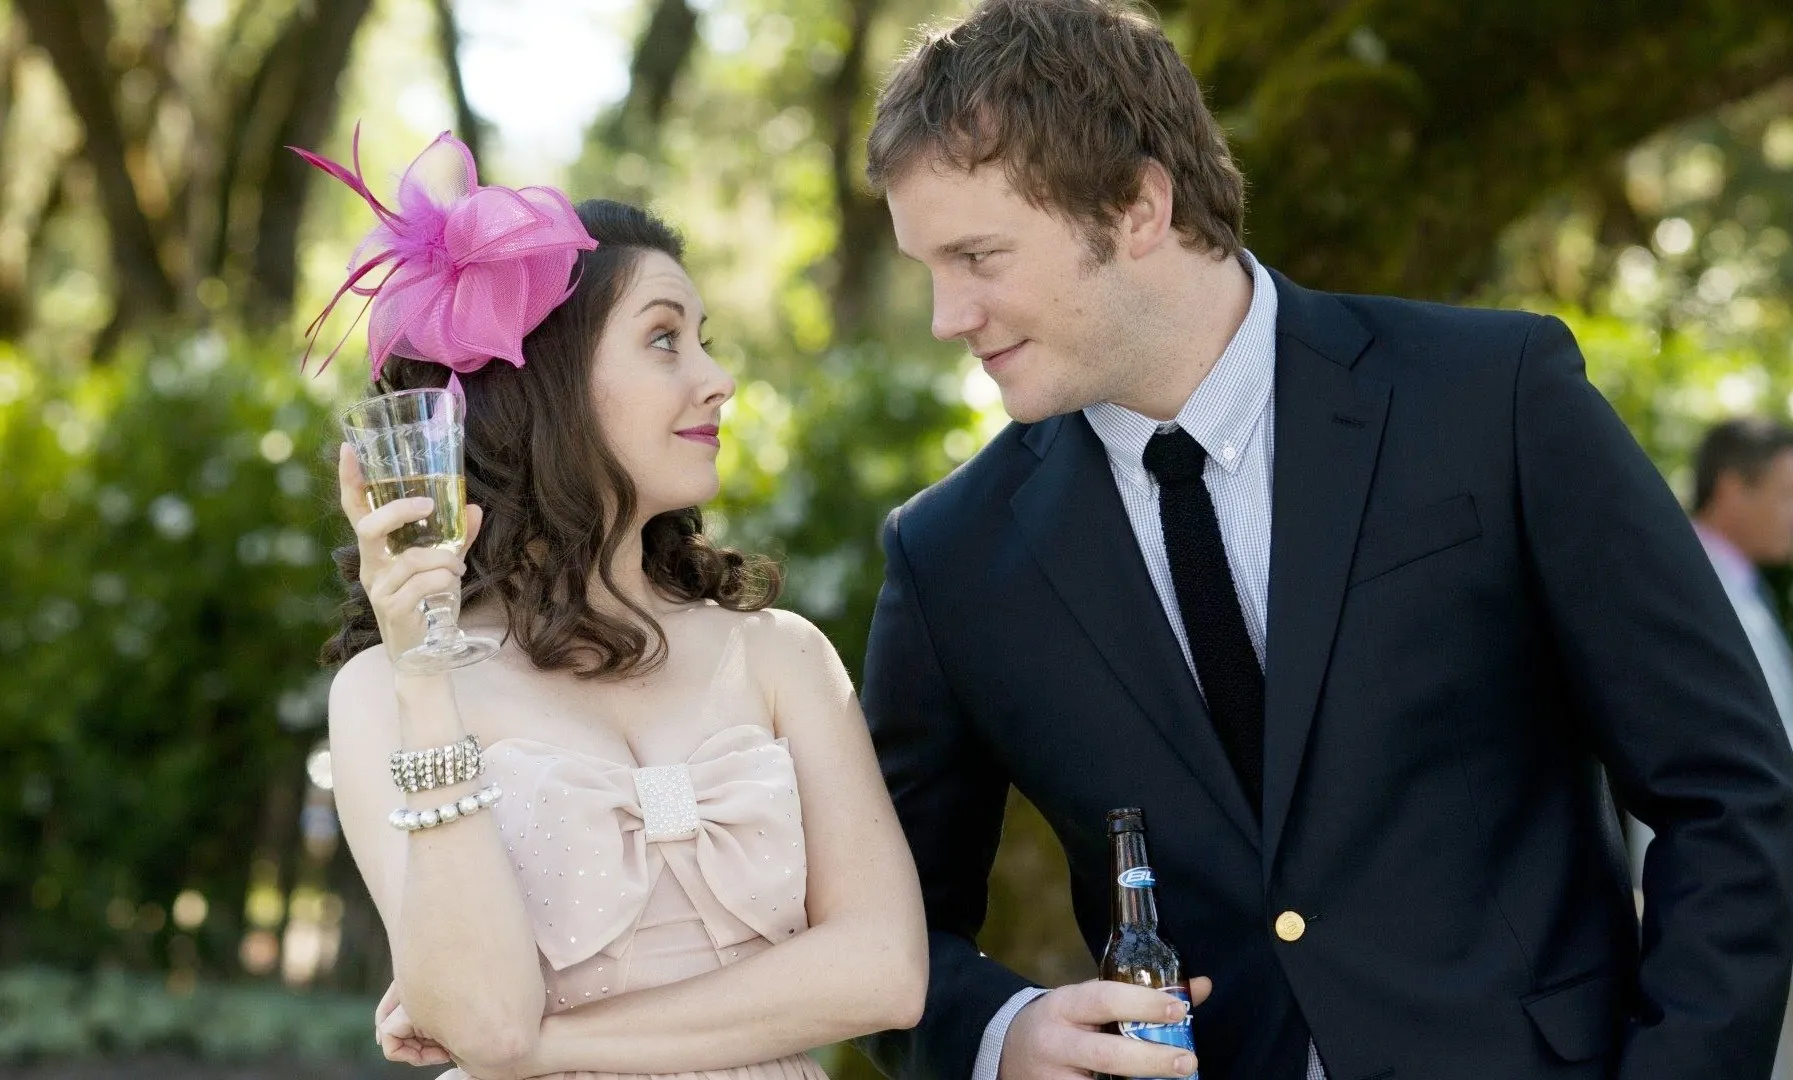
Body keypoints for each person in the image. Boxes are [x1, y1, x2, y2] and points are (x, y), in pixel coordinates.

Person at [852, 2, 1793, 1078]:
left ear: (1136, 205)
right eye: (928, 265)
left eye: (977, 255)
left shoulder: (1494, 400)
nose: (944, 315)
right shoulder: (948, 557)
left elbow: (1724, 790)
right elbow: (885, 928)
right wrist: (999, 1029)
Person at [309, 131, 926, 1080]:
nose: (716, 379)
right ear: (547, 380)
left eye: (704, 340)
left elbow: (884, 972)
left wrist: (553, 1046)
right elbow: (486, 1018)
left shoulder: (780, 655)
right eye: (664, 338)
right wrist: (425, 673)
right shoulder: (379, 694)